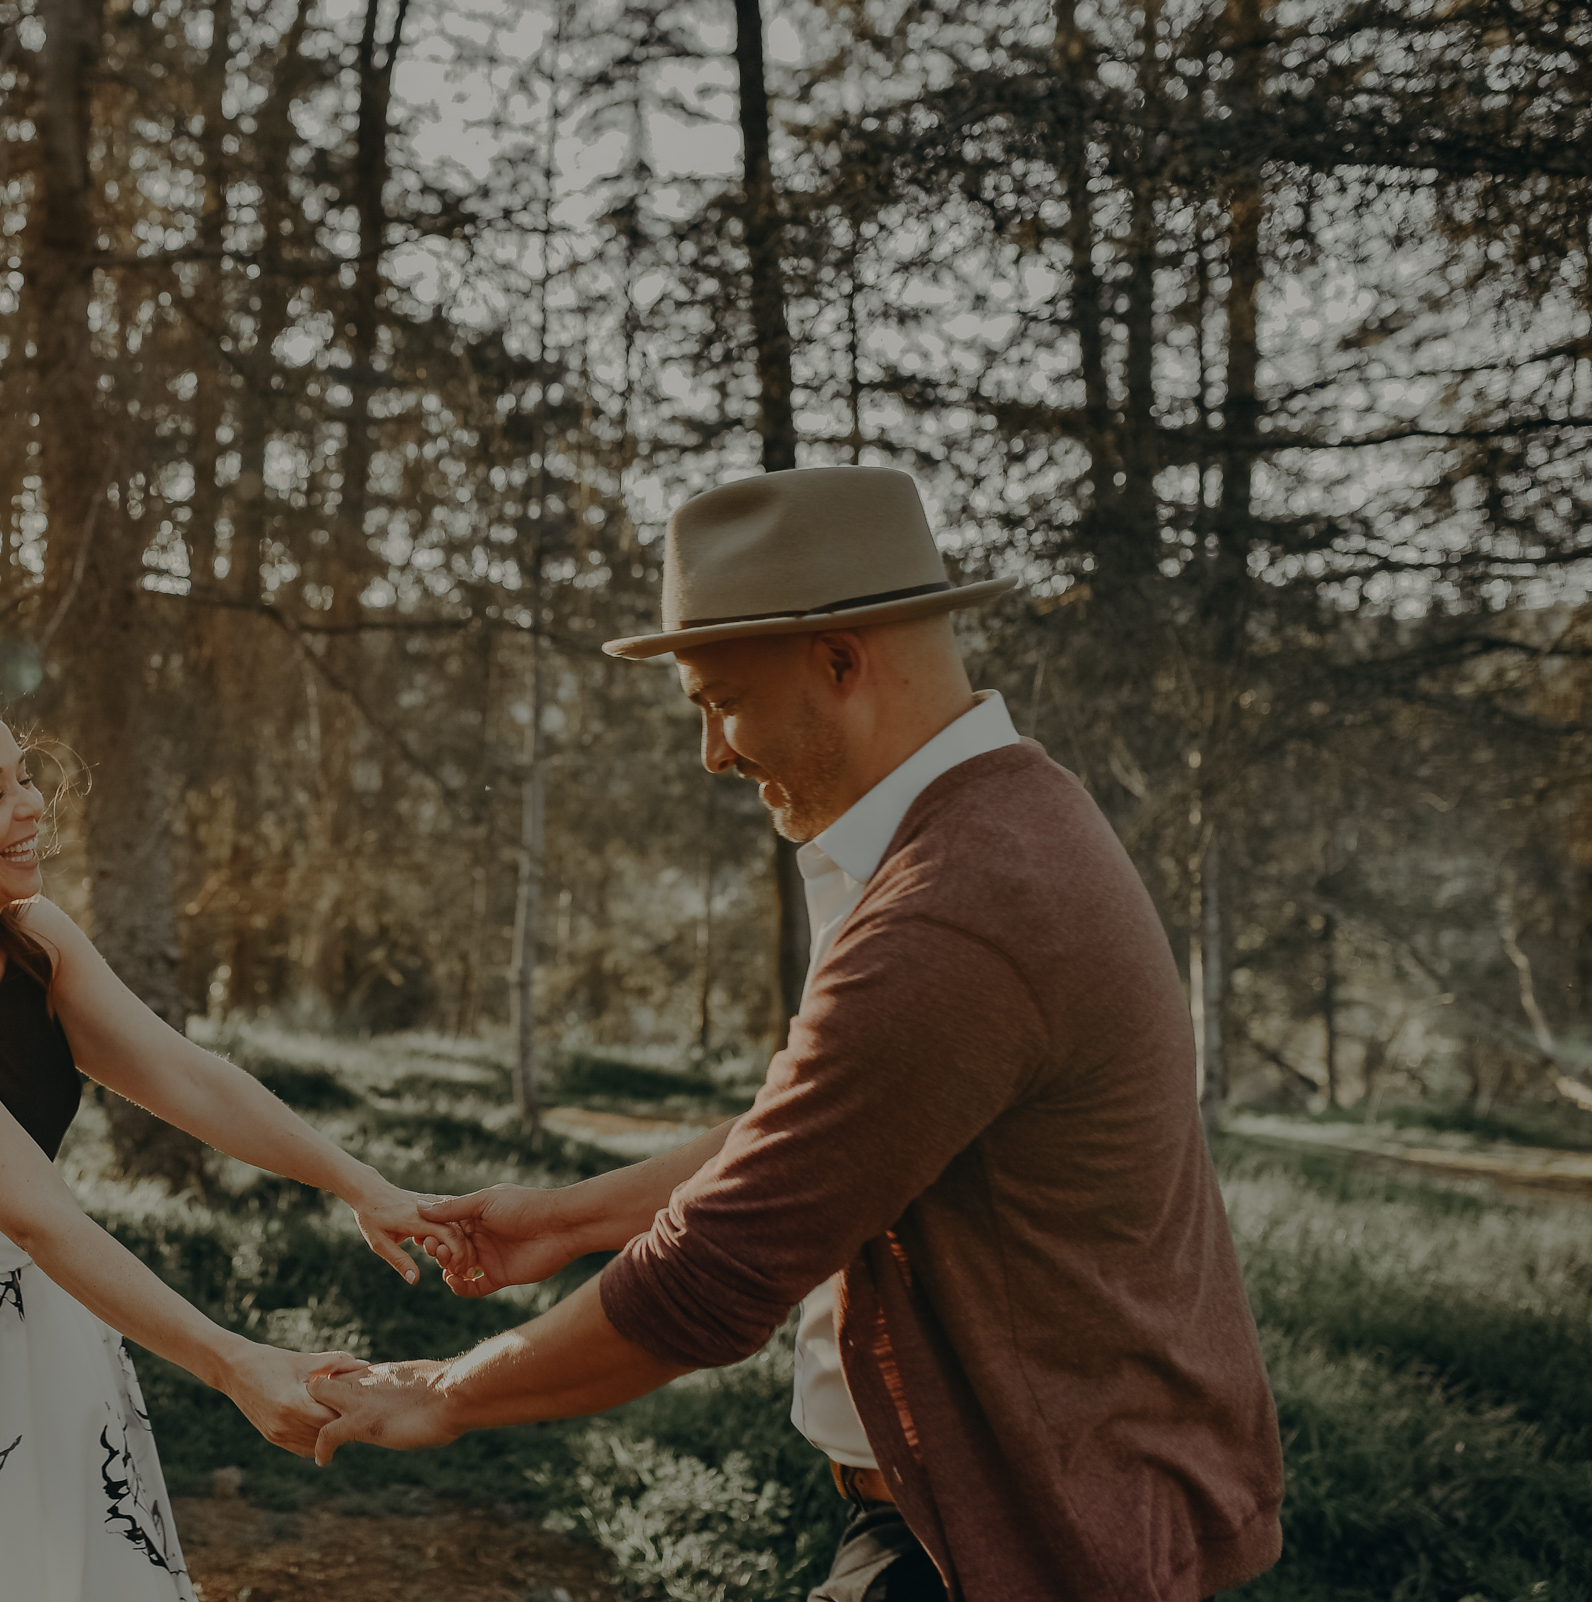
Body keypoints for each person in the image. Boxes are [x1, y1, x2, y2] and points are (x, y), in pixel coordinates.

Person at [308, 467, 1284, 1602]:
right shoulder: (1004, 820)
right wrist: (566, 1220)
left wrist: (444, 1393)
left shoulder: (955, 908)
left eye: (719, 700)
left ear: (839, 659)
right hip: (1000, 1514)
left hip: (1019, 1539)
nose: (713, 754)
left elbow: (711, 1282)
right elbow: (834, 1131)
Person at [0, 673, 454, 1602]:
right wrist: (234, 1360)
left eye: (23, 777)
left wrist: (360, 1185)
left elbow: (185, 1076)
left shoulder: (34, 938)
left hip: (55, 1313)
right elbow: (40, 1221)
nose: (29, 805)